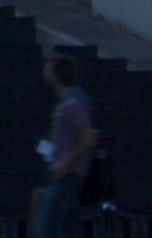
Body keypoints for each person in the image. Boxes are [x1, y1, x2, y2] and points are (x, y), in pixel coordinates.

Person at [36, 55, 99, 238]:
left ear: (56, 75)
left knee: (46, 227)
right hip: (67, 173)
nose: (44, 71)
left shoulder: (71, 105)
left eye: (48, 68)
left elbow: (87, 139)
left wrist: (65, 163)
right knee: (69, 227)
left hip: (67, 174)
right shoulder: (70, 100)